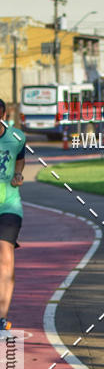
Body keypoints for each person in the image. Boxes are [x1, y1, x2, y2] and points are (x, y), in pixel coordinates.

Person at [0, 99, 25, 333]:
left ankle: (1, 316)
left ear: (3, 115)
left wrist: (18, 175)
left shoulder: (16, 137)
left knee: (5, 254)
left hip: (9, 206)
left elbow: (20, 160)